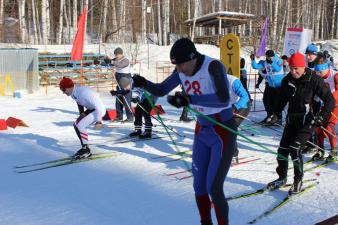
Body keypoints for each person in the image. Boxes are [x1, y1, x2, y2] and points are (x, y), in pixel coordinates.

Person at [132, 38, 236, 225]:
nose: (178, 69)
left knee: (214, 187)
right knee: (198, 185)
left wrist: (189, 99)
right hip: (202, 130)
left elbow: (223, 99)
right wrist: (143, 82)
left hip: (222, 130)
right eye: (176, 65)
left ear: (192, 57)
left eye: (180, 64)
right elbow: (162, 89)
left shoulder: (213, 66)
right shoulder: (181, 70)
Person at [266, 52, 335, 194]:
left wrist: (321, 116)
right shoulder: (287, 80)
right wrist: (275, 114)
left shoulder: (314, 79)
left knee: (295, 149)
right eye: (291, 68)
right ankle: (282, 177)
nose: (293, 71)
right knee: (282, 150)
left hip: (309, 120)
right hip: (292, 120)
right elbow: (281, 100)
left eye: (296, 68)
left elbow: (330, 100)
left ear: (303, 67)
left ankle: (298, 180)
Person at [59, 77, 106, 159]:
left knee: (80, 125)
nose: (63, 92)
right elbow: (79, 102)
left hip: (99, 110)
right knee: (76, 124)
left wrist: (98, 121)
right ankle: (84, 147)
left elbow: (98, 105)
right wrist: (82, 114)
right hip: (92, 109)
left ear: (68, 87)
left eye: (63, 90)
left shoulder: (83, 92)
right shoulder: (73, 92)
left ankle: (86, 150)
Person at [311, 54, 338, 162]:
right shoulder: (317, 77)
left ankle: (334, 151)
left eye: (320, 72)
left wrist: (330, 98)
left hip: (336, 106)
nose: (318, 75)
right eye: (317, 72)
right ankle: (320, 150)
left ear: (326, 68)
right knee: (317, 127)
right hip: (324, 106)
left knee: (329, 128)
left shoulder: (335, 75)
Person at [251, 50, 284, 125]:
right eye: (268, 57)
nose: (269, 58)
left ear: (273, 56)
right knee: (268, 102)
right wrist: (253, 60)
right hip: (270, 85)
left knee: (277, 103)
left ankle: (278, 118)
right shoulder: (265, 62)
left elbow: (278, 69)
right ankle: (269, 116)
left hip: (279, 85)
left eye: (271, 57)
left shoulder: (279, 60)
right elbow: (255, 66)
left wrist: (272, 63)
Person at [228, 74, 250, 163]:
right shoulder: (210, 82)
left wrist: (235, 107)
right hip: (228, 107)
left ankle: (234, 155)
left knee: (230, 128)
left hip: (241, 106)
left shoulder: (232, 81)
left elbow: (245, 96)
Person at [111, 47, 134, 122]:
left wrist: (111, 62)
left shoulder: (125, 60)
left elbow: (119, 65)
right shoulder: (116, 60)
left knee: (126, 100)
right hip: (119, 80)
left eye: (117, 54)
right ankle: (119, 116)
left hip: (126, 81)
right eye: (115, 54)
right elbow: (110, 62)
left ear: (121, 54)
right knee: (118, 99)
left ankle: (130, 117)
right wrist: (100, 62)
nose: (116, 56)